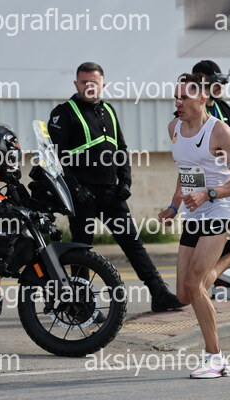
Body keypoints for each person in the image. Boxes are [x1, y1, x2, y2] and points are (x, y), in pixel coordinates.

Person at [158, 73, 230, 379]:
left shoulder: (219, 132)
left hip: (221, 211)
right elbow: (186, 171)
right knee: (184, 293)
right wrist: (174, 206)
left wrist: (208, 194)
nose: (178, 103)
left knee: (196, 285)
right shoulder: (174, 129)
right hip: (194, 214)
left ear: (202, 99)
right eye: (176, 97)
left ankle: (216, 358)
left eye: (184, 97)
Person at [48, 62, 185, 313]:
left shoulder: (108, 110)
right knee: (81, 251)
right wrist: (75, 188)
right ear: (76, 84)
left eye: (94, 82)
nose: (89, 86)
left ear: (103, 84)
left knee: (133, 244)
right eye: (84, 82)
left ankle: (159, 293)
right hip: (83, 196)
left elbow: (120, 149)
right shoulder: (63, 113)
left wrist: (126, 181)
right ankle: (80, 304)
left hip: (111, 193)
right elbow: (56, 158)